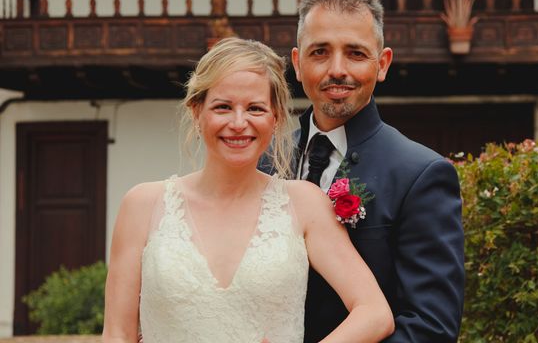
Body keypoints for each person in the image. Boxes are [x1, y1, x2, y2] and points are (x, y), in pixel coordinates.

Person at [102, 38, 394, 343]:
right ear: (196, 112)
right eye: (223, 107)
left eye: (255, 108)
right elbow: (117, 334)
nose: (239, 123)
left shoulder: (304, 204)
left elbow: (374, 312)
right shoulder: (142, 205)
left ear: (275, 117)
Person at [288, 0, 465, 342]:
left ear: (382, 64)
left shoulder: (421, 174)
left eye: (355, 54)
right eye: (320, 52)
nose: (337, 70)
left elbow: (431, 328)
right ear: (297, 63)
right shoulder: (262, 164)